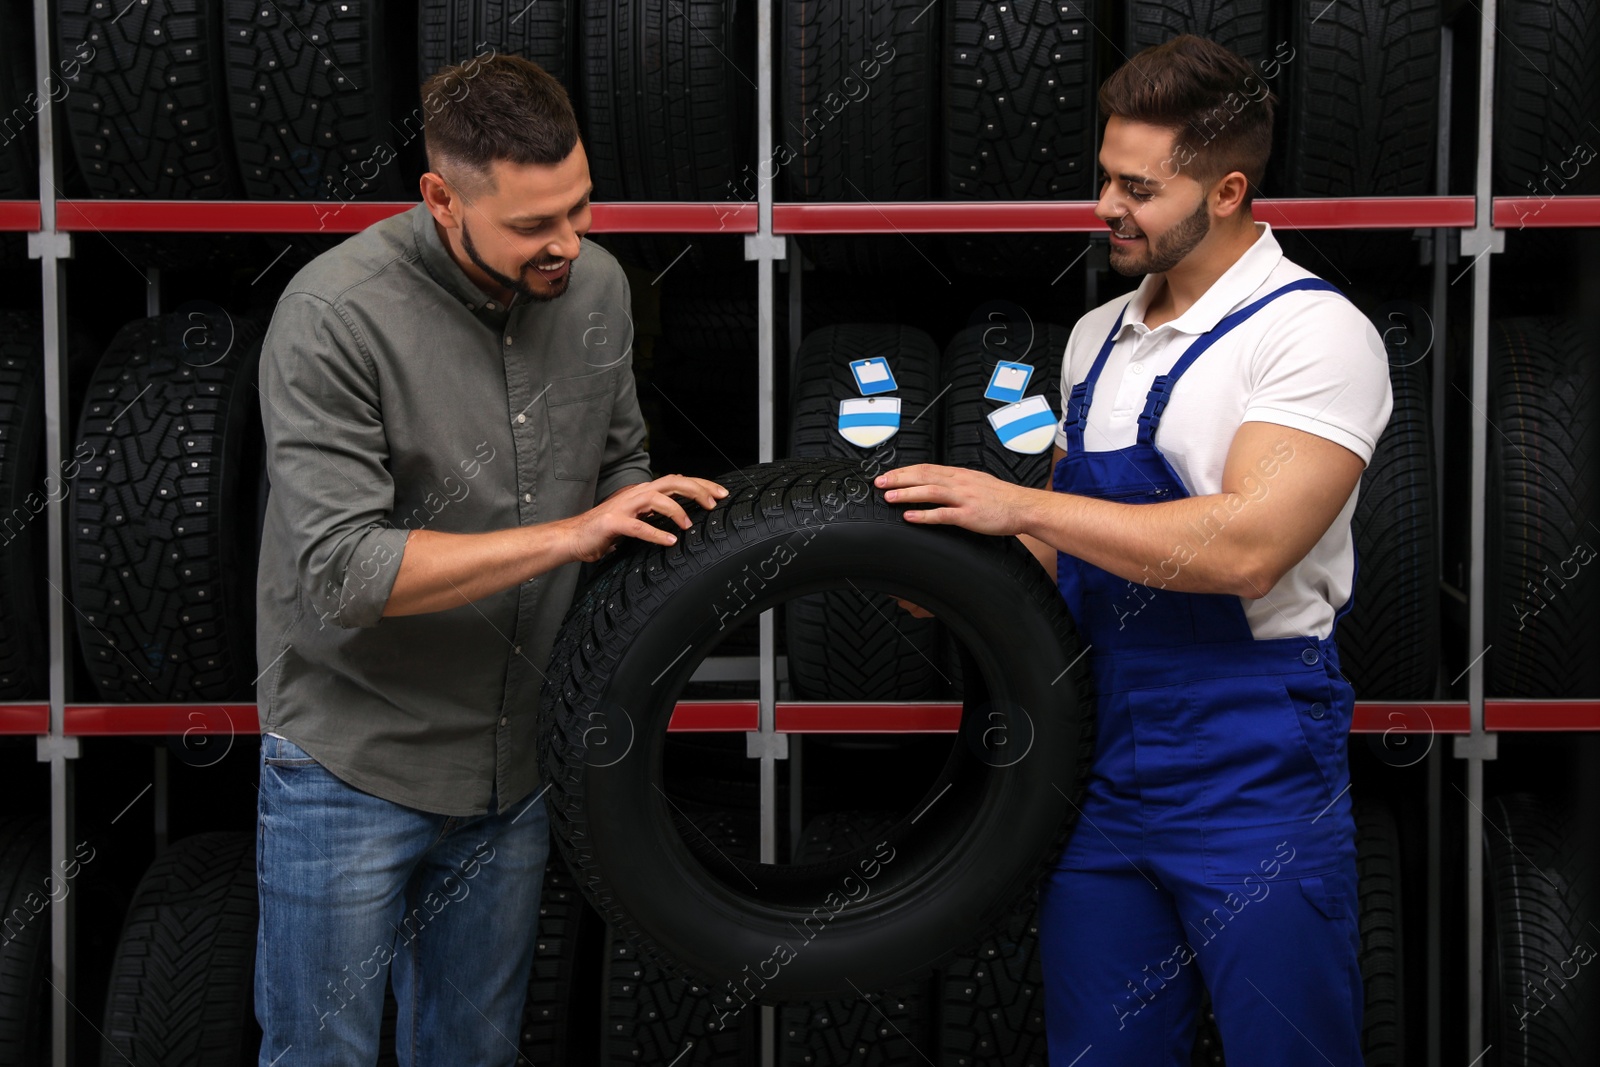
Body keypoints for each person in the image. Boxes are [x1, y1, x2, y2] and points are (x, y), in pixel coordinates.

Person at [877, 35, 1392, 1065]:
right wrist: (950, 576)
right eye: (1102, 175)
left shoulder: (1310, 334)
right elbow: (1072, 561)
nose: (1104, 204)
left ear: (1229, 189)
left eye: (1136, 187)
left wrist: (1017, 503)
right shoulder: (1095, 335)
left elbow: (1245, 545)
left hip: (1252, 767)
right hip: (1102, 759)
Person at [252, 54, 725, 1065]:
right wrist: (570, 535)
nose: (567, 242)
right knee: (317, 1056)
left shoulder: (595, 286)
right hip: (351, 768)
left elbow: (617, 464)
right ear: (439, 197)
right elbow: (341, 569)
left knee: (473, 1054)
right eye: (530, 225)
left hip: (511, 771)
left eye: (580, 207)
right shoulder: (333, 317)